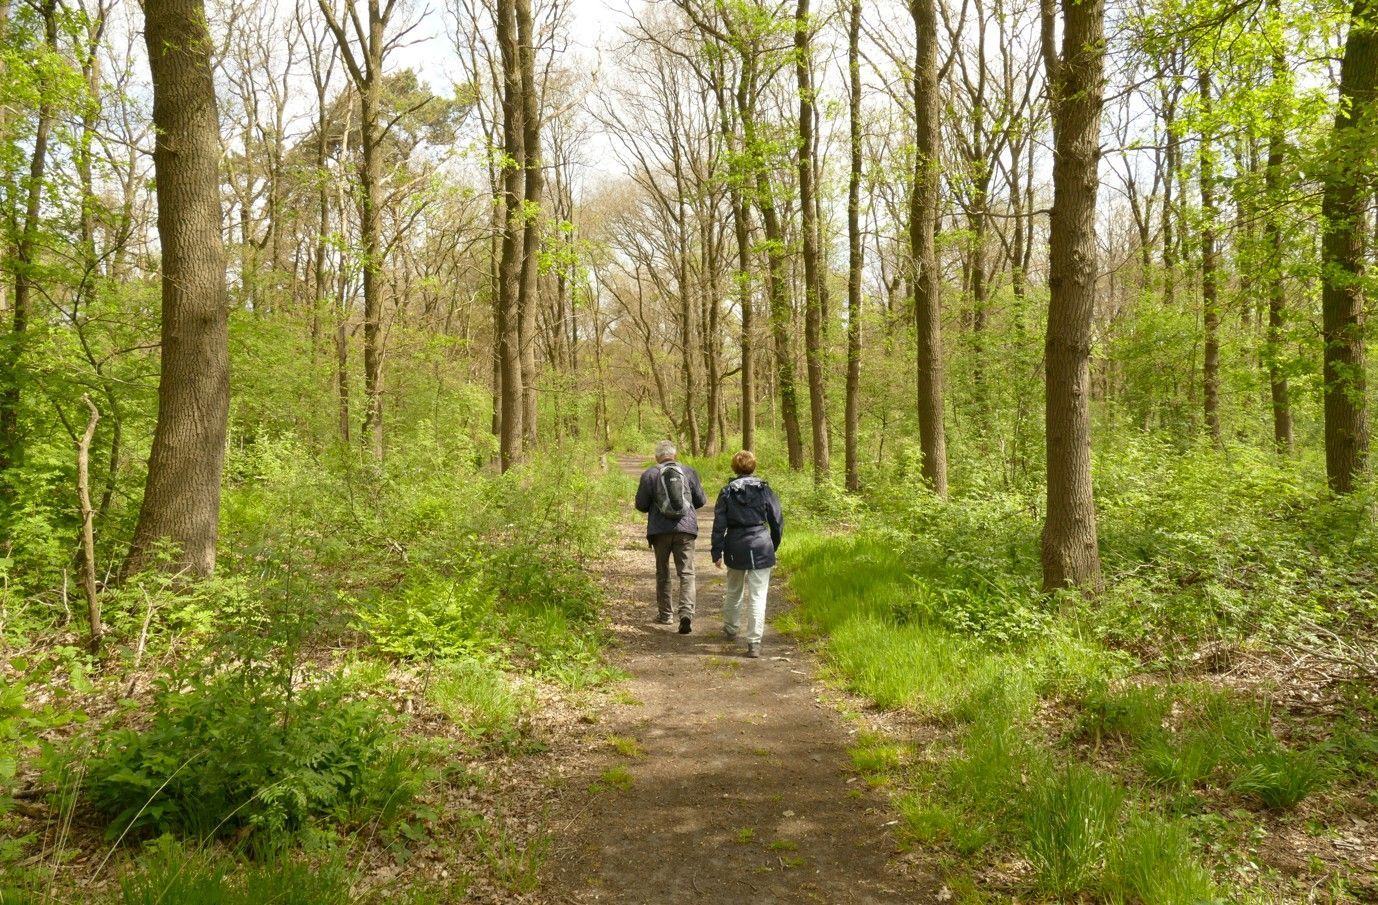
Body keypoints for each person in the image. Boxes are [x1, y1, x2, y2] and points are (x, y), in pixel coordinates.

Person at [710, 450, 783, 658]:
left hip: (735, 545)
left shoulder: (727, 492)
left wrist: (717, 551)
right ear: (754, 467)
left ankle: (731, 628)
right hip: (761, 544)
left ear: (734, 467)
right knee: (758, 596)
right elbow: (777, 520)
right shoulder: (765, 490)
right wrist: (773, 545)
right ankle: (754, 642)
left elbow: (719, 525)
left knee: (734, 591)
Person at [634, 440, 708, 633]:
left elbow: (641, 505)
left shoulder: (650, 474)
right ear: (674, 455)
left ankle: (665, 615)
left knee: (663, 572)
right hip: (686, 530)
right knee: (687, 573)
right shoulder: (689, 472)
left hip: (659, 531)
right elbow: (700, 501)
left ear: (657, 456)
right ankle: (686, 614)